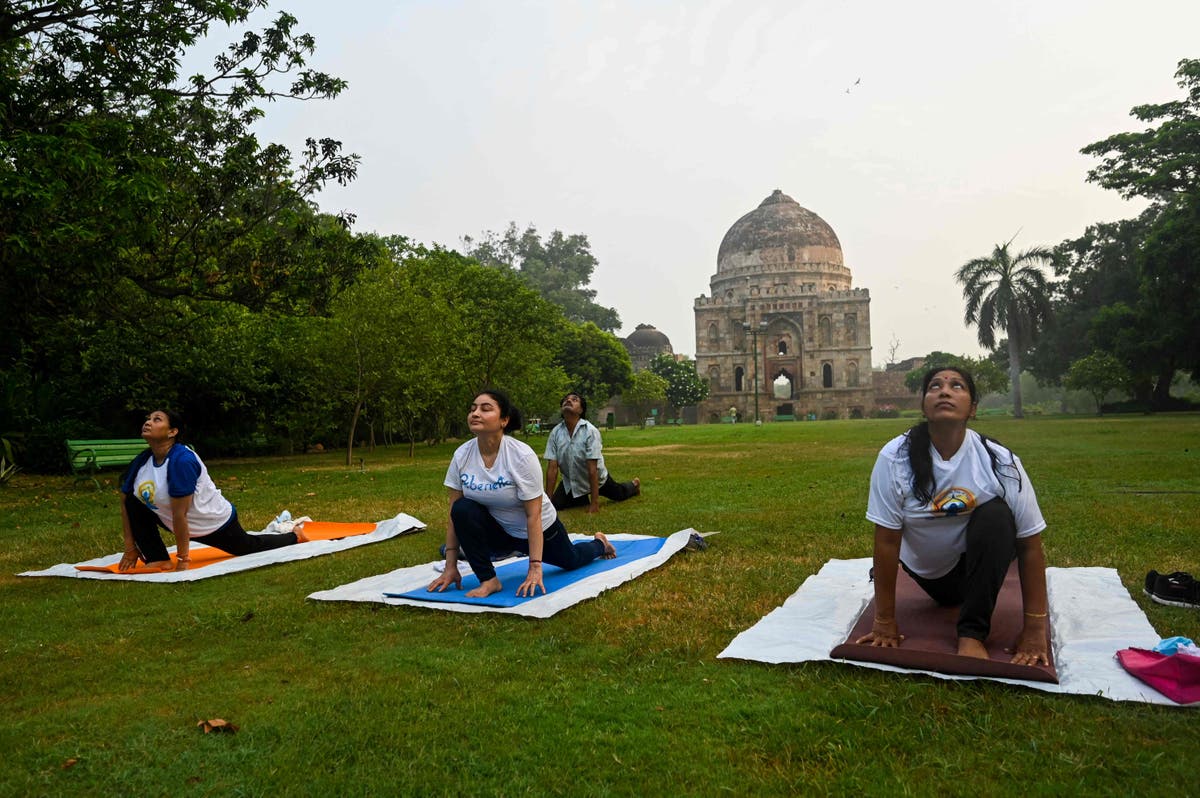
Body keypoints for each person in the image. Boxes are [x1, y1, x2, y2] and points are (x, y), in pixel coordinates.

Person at [858, 366, 1050, 665]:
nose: (945, 391)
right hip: (929, 576)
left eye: (956, 386)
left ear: (972, 408)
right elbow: (886, 540)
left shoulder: (999, 460)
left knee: (997, 516)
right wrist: (884, 620)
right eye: (935, 386)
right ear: (923, 405)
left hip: (979, 567)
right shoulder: (895, 457)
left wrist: (1036, 628)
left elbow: (1029, 543)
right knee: (985, 525)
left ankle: (972, 635)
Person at [428, 389, 615, 598]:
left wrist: (535, 566)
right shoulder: (462, 455)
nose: (475, 413)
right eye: (473, 409)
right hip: (501, 531)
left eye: (485, 409)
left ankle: (600, 544)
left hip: (541, 529)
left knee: (572, 560)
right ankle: (489, 580)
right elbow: (455, 513)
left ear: (504, 420)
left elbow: (532, 515)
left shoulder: (521, 455)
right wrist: (450, 566)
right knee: (462, 509)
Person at [118, 409, 305, 572]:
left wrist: (183, 559)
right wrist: (130, 548)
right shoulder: (142, 460)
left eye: (157, 419)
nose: (148, 422)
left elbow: (180, 514)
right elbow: (125, 502)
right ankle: (157, 557)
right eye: (148, 418)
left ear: (172, 432)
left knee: (248, 546)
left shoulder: (181, 461)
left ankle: (293, 535)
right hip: (174, 520)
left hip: (213, 522)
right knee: (133, 502)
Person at [543, 392, 640, 513]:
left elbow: (592, 469)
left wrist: (594, 504)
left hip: (597, 480)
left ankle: (634, 486)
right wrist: (547, 504)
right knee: (557, 504)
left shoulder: (590, 431)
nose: (568, 401)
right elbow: (552, 469)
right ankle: (581, 498)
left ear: (581, 410)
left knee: (619, 494)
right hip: (572, 482)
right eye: (565, 400)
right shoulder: (555, 433)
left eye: (574, 400)